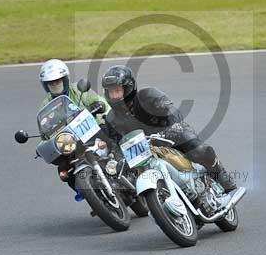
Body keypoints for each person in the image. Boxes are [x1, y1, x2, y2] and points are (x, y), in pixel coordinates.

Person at [100, 64, 243, 204]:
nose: (113, 96)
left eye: (117, 91)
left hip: (169, 134)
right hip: (144, 151)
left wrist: (171, 124)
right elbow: (115, 144)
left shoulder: (148, 95)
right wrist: (115, 159)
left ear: (128, 88)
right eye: (110, 92)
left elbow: (172, 111)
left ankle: (226, 183)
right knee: (121, 176)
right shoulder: (112, 118)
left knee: (198, 149)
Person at [38, 59, 111, 196]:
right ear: (45, 85)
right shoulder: (45, 105)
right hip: (69, 142)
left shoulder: (79, 90)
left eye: (58, 81)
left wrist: (97, 105)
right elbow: (44, 130)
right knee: (64, 171)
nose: (55, 85)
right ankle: (90, 195)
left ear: (65, 79)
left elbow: (101, 102)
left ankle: (126, 165)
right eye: (51, 83)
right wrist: (44, 139)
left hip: (92, 130)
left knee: (110, 132)